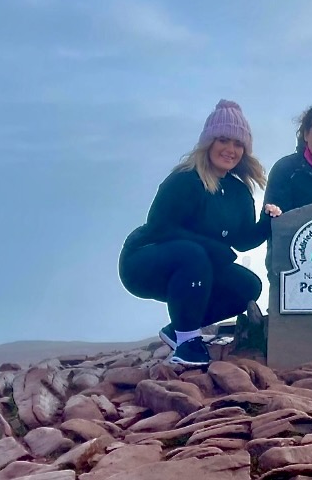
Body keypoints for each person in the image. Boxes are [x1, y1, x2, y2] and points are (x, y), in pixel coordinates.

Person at [118, 100, 280, 368]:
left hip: (196, 267)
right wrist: (212, 248)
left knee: (248, 286)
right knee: (194, 254)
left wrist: (267, 221)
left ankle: (178, 329)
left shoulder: (239, 192)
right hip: (144, 261)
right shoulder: (185, 179)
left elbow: (242, 240)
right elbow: (160, 227)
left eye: (238, 144)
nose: (230, 150)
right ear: (209, 142)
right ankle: (187, 343)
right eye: (223, 140)